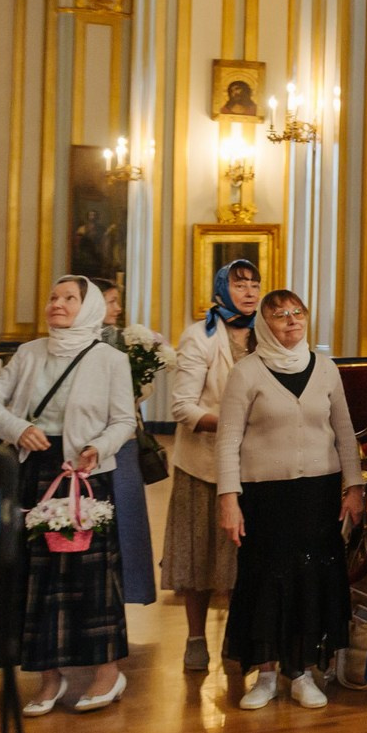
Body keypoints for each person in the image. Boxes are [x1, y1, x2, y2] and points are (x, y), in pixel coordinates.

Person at [0, 276, 138, 714]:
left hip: (85, 475)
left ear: (87, 308)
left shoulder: (109, 359)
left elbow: (124, 420)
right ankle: (49, 679)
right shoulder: (30, 353)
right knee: (37, 578)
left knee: (92, 578)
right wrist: (19, 428)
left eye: (70, 298)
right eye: (53, 296)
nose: (57, 304)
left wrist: (97, 448)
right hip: (33, 473)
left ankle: (108, 673)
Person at [214, 290, 365, 710]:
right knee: (265, 580)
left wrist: (354, 488)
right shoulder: (246, 372)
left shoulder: (325, 369)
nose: (291, 321)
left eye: (298, 312)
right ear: (264, 324)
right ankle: (265, 675)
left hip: (318, 494)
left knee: (309, 579)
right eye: (279, 315)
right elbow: (227, 441)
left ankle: (301, 672)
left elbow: (345, 432)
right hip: (264, 496)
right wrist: (229, 499)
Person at [168, 258, 259, 672]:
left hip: (253, 465)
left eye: (255, 284)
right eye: (240, 284)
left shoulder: (268, 333)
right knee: (198, 556)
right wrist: (229, 422)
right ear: (222, 289)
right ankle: (195, 638)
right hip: (203, 464)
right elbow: (182, 406)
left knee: (244, 559)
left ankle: (237, 637)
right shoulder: (200, 336)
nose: (250, 291)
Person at [88, 276, 156, 607]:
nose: (118, 308)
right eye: (112, 301)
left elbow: (136, 397)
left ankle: (125, 593)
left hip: (123, 441)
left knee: (127, 520)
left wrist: (142, 380)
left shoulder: (122, 342)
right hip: (86, 443)